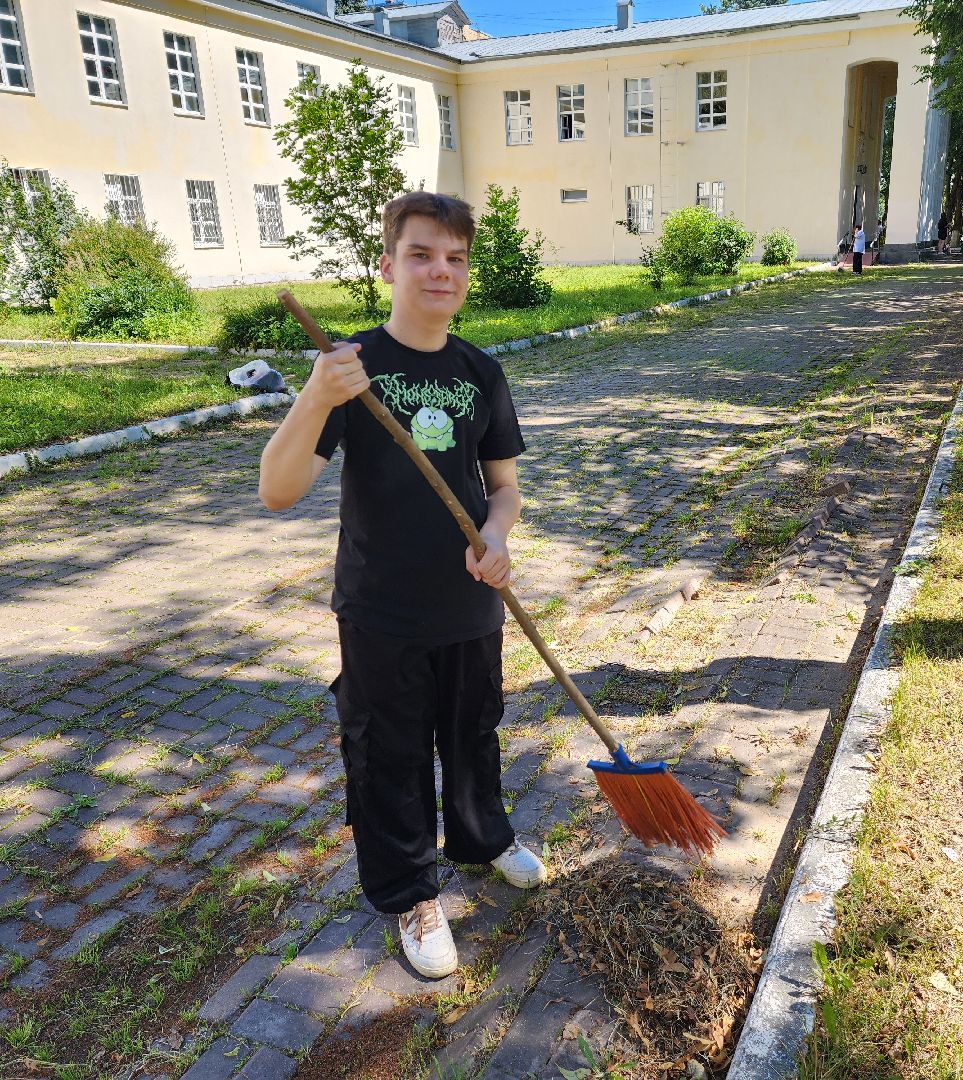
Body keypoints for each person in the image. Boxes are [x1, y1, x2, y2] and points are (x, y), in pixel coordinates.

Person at [257, 191, 546, 981]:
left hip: (470, 604)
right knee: (389, 755)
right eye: (421, 254)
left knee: (473, 731)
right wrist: (318, 393)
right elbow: (276, 490)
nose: (439, 271)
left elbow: (505, 488)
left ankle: (484, 841)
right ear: (387, 265)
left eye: (454, 258)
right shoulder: (351, 368)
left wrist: (494, 535)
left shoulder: (480, 372)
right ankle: (411, 894)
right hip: (379, 611)